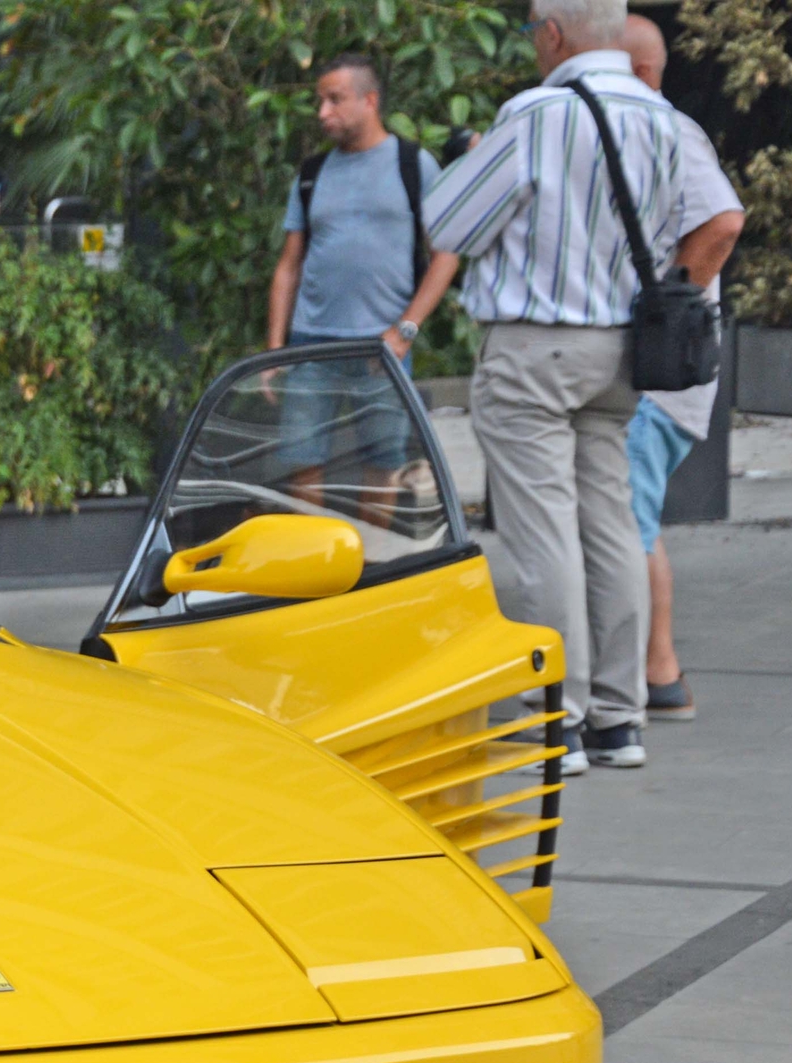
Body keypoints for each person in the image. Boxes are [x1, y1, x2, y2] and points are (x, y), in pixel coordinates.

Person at [425, 0, 683, 775]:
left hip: (537, 347)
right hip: (622, 350)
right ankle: (619, 718)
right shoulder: (666, 121)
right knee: (611, 524)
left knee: (543, 534)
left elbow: (448, 223)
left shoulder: (535, 114)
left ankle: (553, 724)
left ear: (553, 35)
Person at [265, 53, 452, 523]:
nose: (323, 112)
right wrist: (274, 348)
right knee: (302, 461)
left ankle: (371, 573)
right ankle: (314, 574)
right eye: (320, 101)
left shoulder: (414, 164)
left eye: (335, 99)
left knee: (382, 462)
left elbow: (446, 256)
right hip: (310, 347)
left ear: (370, 101)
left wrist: (405, 330)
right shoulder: (312, 173)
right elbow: (288, 266)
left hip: (383, 348)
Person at [621, 13, 743, 724]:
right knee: (629, 516)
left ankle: (657, 670)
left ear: (637, 71)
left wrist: (667, 309)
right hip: (656, 373)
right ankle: (651, 669)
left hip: (658, 376)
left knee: (626, 518)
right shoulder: (647, 130)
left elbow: (725, 222)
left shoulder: (666, 129)